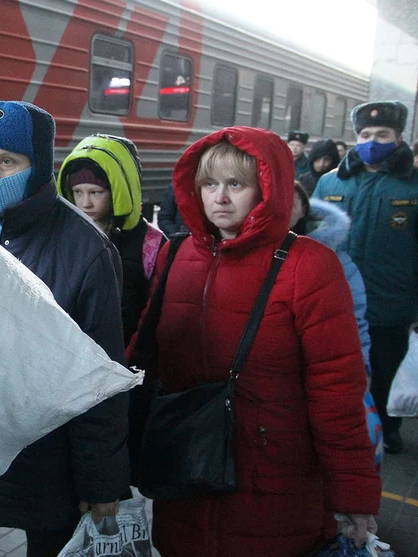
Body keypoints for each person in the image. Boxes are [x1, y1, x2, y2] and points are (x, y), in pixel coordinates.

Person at [128, 126, 381, 557]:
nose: (219, 198)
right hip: (186, 472)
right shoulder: (177, 254)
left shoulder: (310, 266)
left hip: (273, 478)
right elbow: (144, 357)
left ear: (268, 188)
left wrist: (353, 496)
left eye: (236, 184)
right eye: (209, 184)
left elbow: (336, 389)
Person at [0, 99, 129, 557]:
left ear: (37, 164)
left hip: (49, 462)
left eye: (7, 161)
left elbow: (100, 377)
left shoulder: (87, 251)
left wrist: (101, 484)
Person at [313, 100, 418, 455]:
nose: (373, 140)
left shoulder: (413, 186)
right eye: (366, 134)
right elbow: (309, 233)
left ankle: (387, 428)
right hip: (335, 300)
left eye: (383, 134)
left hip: (392, 303)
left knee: (384, 373)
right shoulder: (330, 183)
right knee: (337, 372)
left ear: (399, 138)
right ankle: (343, 434)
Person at [291, 182, 383, 472]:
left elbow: (355, 319)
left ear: (303, 209)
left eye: (289, 201)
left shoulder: (335, 259)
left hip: (320, 371)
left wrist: (361, 365)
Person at [58, 134, 167, 344]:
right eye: (77, 192)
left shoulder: (151, 244)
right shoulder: (66, 237)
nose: (85, 203)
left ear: (119, 193)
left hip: (128, 352)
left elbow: (155, 311)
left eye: (95, 192)